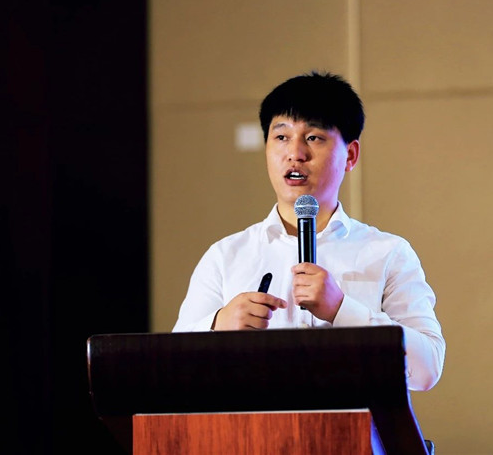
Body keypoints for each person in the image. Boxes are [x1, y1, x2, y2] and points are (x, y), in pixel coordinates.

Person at [173, 70, 445, 391]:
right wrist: (218, 326)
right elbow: (171, 369)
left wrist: (342, 309)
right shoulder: (225, 255)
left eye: (313, 137)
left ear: (350, 155)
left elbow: (427, 368)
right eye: (281, 137)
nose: (295, 153)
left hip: (354, 423)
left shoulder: (388, 253)